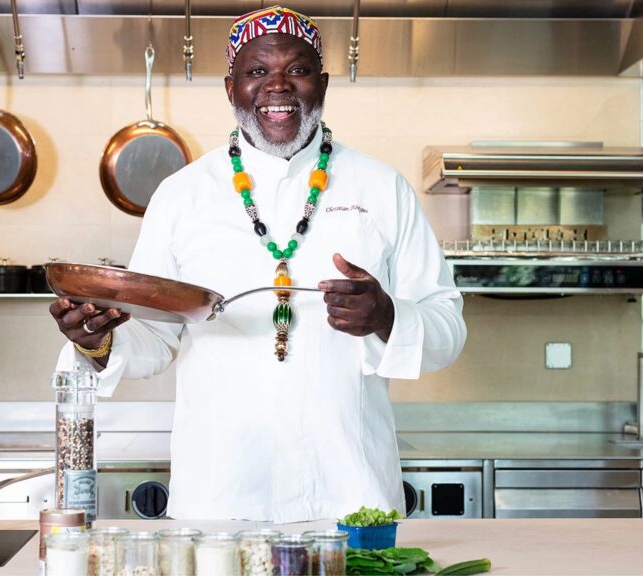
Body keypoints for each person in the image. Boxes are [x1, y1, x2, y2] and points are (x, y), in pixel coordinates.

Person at [51, 5, 466, 523]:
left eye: (298, 69)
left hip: (347, 493)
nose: (278, 86)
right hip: (221, 496)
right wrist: (96, 338)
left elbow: (447, 324)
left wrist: (387, 316)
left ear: (323, 83)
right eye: (256, 72)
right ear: (231, 88)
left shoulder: (381, 189)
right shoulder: (182, 196)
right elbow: (156, 338)